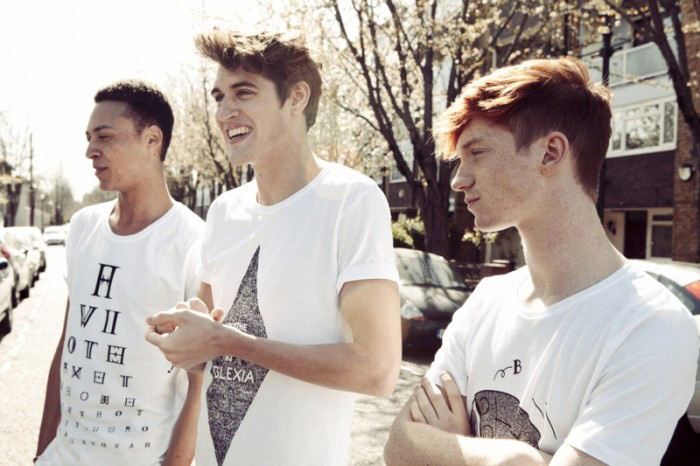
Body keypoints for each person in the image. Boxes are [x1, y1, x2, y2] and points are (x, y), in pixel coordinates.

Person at [384, 58, 699, 465]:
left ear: (550, 153)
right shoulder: (487, 300)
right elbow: (398, 446)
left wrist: (459, 448)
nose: (459, 180)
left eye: (477, 152)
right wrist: (514, 458)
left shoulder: (651, 325)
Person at [144, 30, 401, 466]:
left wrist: (227, 341)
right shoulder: (224, 211)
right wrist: (186, 334)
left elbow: (377, 370)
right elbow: (206, 352)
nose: (224, 112)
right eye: (219, 97)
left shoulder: (351, 200)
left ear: (296, 97)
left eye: (243, 93)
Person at [35, 81, 205, 466]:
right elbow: (68, 344)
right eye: (89, 138)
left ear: (152, 140)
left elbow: (198, 382)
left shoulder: (194, 242)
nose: (90, 151)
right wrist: (42, 452)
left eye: (105, 137)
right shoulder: (83, 226)